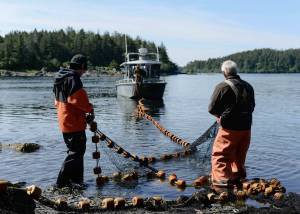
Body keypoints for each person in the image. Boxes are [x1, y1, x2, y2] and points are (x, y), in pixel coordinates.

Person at [208, 60, 255, 192]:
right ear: (236, 71)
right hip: (246, 128)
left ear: (224, 72)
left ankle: (222, 185)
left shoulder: (222, 86)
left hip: (229, 129)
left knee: (220, 155)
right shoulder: (248, 86)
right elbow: (252, 107)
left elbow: (211, 108)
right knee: (239, 155)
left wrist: (220, 116)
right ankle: (239, 177)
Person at [53, 54, 94, 188]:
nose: (84, 72)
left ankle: (77, 181)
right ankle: (60, 183)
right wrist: (89, 108)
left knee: (77, 152)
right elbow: (76, 99)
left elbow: (58, 101)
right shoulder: (73, 78)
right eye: (84, 69)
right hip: (73, 122)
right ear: (82, 67)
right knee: (76, 152)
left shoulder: (61, 77)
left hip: (64, 120)